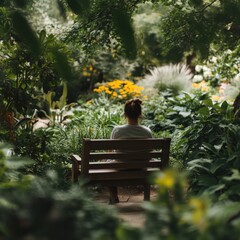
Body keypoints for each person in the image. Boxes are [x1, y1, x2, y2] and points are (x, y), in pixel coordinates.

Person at [109, 98, 152, 204]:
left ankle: (114, 197)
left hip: (121, 167)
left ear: (125, 114)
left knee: (107, 165)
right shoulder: (146, 131)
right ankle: (146, 198)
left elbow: (110, 151)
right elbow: (149, 151)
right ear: (140, 114)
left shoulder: (117, 130)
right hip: (141, 167)